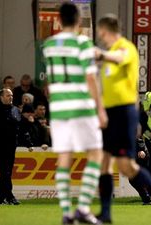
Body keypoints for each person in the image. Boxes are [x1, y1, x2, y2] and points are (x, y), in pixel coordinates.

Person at [94, 14, 151, 224]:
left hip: (124, 112)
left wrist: (100, 55)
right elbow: (107, 88)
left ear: (106, 29)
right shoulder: (109, 53)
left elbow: (120, 59)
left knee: (127, 166)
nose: (100, 36)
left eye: (101, 31)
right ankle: (105, 213)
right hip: (110, 113)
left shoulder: (125, 48)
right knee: (103, 162)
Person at [42, 3, 107, 224]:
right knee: (96, 154)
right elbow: (90, 78)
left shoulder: (48, 45)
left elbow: (50, 80)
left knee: (63, 158)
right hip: (81, 106)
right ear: (79, 21)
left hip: (59, 109)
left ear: (58, 20)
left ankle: (66, 212)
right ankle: (83, 207)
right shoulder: (82, 43)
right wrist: (100, 109)